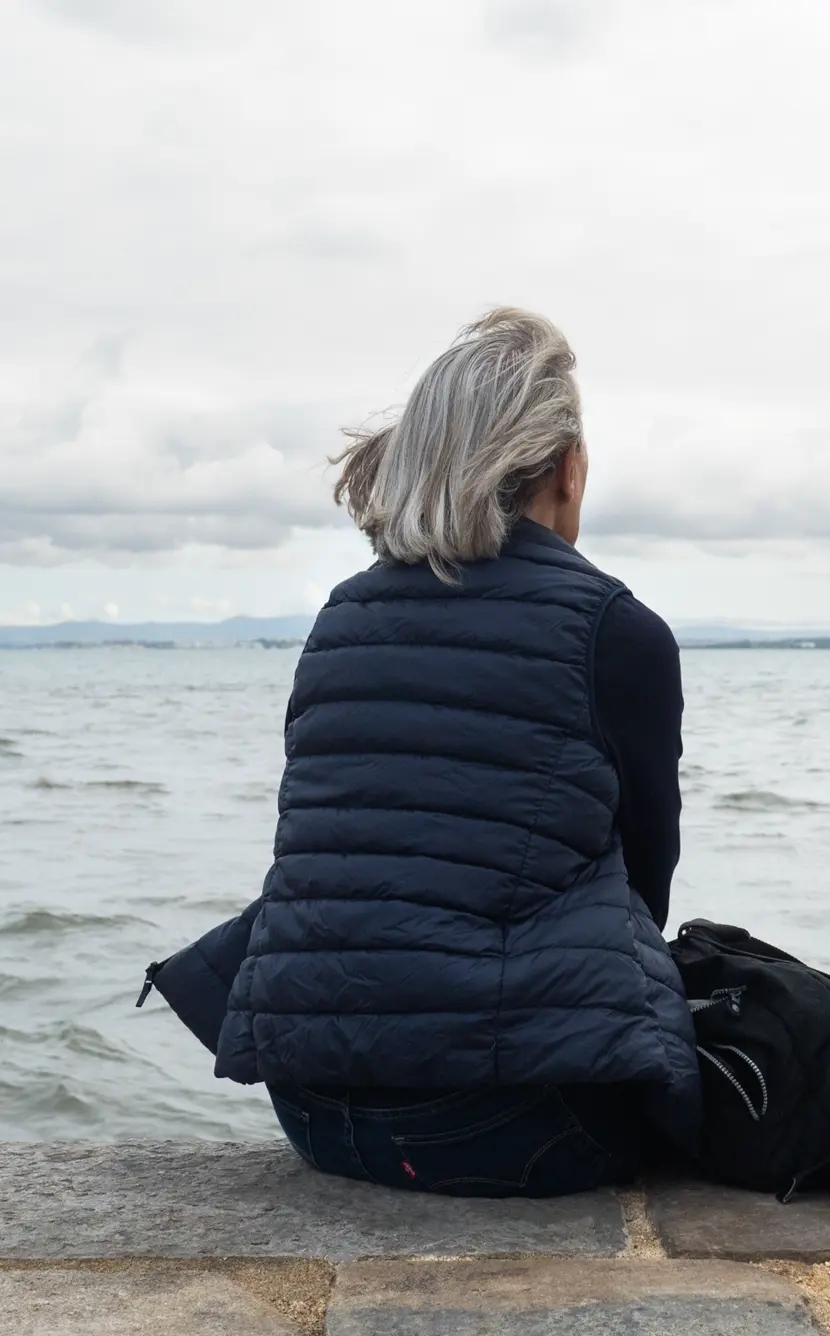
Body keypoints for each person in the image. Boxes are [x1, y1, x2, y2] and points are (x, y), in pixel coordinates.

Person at [144, 307, 699, 1197]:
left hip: (315, 1115)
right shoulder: (614, 629)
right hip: (509, 1127)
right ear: (568, 469)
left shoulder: (343, 615)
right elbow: (646, 886)